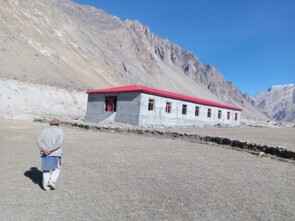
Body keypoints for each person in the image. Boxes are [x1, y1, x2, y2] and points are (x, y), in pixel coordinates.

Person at [37, 118, 64, 191]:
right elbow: (58, 143)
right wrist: (50, 149)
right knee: (57, 168)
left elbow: (39, 141)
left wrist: (44, 148)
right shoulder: (60, 131)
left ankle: (46, 187)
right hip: (55, 153)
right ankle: (52, 181)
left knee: (45, 170)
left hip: (45, 153)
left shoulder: (44, 131)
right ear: (58, 124)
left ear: (50, 124)